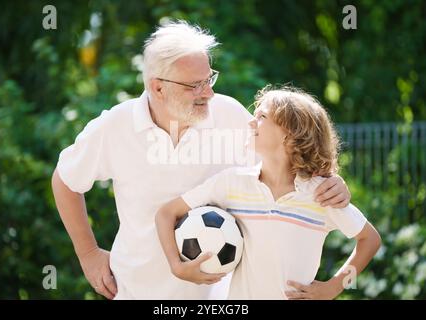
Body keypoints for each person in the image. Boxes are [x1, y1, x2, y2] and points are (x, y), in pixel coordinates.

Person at [51, 21, 351, 300]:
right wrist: (88, 253)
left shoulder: (230, 116)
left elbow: (285, 164)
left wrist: (330, 180)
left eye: (209, 79)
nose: (208, 93)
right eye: (194, 85)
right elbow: (65, 180)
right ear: (158, 87)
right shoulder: (115, 126)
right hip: (136, 291)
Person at [155, 86, 381, 299]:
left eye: (261, 117)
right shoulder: (232, 183)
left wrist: (334, 287)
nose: (251, 123)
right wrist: (177, 266)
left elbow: (370, 240)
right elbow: (166, 214)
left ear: (291, 133)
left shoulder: (320, 195)